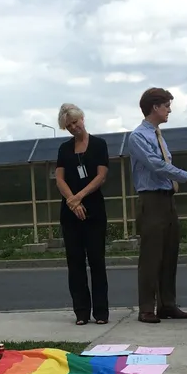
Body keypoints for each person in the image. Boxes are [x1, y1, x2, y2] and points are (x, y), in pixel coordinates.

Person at [128, 87, 187, 324]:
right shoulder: (138, 137)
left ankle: (167, 304)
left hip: (168, 198)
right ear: (155, 107)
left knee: (169, 252)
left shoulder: (159, 135)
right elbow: (156, 165)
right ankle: (147, 307)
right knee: (151, 255)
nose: (169, 111)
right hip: (151, 199)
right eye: (166, 106)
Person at [54, 103, 110, 326]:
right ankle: (81, 311)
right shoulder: (64, 149)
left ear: (82, 119)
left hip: (94, 209)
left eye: (75, 122)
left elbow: (101, 176)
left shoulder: (99, 144)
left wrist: (80, 197)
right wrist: (72, 200)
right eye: (68, 126)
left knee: (96, 260)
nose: (73, 127)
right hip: (70, 212)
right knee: (75, 262)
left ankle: (101, 312)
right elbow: (60, 178)